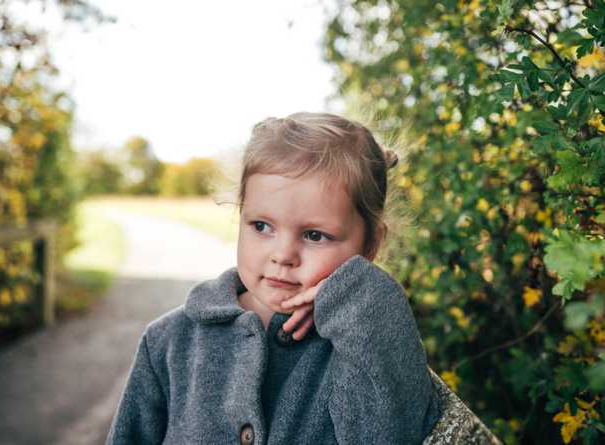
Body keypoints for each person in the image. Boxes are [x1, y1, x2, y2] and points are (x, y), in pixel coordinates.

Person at [108, 112, 441, 444]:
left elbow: (393, 434)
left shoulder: (365, 349)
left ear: (370, 245)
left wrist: (358, 295)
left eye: (314, 235)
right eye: (261, 226)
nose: (282, 255)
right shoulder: (169, 342)